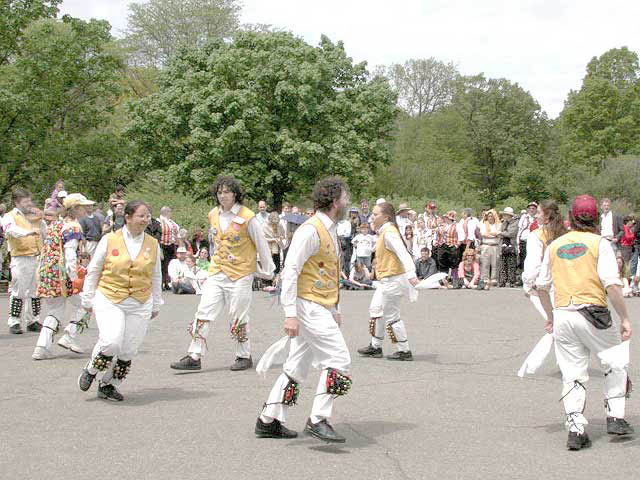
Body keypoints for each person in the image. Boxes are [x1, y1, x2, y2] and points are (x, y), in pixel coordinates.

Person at [256, 177, 352, 443]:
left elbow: (330, 271)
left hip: (320, 304)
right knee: (339, 360)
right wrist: (289, 313)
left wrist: (336, 306)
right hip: (308, 306)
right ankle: (318, 418)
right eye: (345, 198)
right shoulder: (311, 229)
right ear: (334, 201)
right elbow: (291, 271)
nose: (347, 202)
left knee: (297, 365)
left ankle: (269, 419)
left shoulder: (330, 228)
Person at [536, 194, 633, 450]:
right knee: (615, 362)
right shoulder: (599, 243)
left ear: (571, 218)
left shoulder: (555, 246)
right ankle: (615, 416)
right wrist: (625, 317)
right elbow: (612, 285)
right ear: (596, 219)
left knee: (572, 373)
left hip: (564, 314)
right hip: (594, 313)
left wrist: (550, 316)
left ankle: (576, 429)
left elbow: (541, 286)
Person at [170, 176, 274, 372]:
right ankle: (194, 355)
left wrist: (268, 271)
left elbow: (261, 244)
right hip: (218, 270)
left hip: (241, 273)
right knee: (203, 311)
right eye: (219, 192)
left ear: (235, 194)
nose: (223, 196)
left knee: (238, 315)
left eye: (227, 192)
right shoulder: (213, 214)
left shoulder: (248, 216)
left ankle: (243, 355)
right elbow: (215, 242)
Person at [78, 200, 162, 402]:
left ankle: (109, 384)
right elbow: (94, 270)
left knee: (128, 349)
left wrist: (156, 302)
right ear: (128, 217)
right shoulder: (109, 239)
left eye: (148, 216)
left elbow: (156, 275)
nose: (145, 220)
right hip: (110, 297)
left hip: (140, 301)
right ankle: (91, 369)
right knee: (111, 341)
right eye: (141, 216)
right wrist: (88, 298)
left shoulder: (153, 243)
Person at [32, 194, 94, 359]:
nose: (86, 209)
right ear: (74, 209)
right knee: (88, 304)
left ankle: (42, 347)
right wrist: (74, 276)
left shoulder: (56, 224)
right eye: (82, 206)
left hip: (48, 272)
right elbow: (70, 252)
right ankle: (69, 335)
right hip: (62, 274)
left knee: (55, 310)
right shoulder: (72, 226)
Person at [358, 202, 419, 361]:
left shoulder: (389, 232)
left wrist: (411, 274)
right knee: (376, 309)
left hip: (394, 279)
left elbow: (403, 253)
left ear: (385, 216)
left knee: (392, 315)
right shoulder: (384, 232)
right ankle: (375, 346)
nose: (372, 217)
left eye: (375, 214)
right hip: (386, 280)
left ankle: (404, 350)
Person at [2, 188, 46, 334]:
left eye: (29, 200)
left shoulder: (34, 216)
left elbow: (44, 231)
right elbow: (10, 230)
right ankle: (14, 322)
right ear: (16, 202)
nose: (29, 204)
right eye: (25, 201)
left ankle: (33, 320)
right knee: (18, 291)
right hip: (20, 257)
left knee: (35, 291)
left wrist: (42, 222)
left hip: (36, 256)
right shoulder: (10, 216)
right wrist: (27, 232)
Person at [158, 206, 180, 291]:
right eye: (170, 212)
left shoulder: (171, 222)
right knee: (163, 265)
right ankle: (162, 282)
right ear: (166, 212)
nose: (171, 214)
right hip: (163, 245)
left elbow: (177, 231)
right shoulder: (159, 221)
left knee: (169, 265)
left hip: (172, 245)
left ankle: (167, 282)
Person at [479, 209, 501, 290]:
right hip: (486, 245)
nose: (490, 217)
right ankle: (485, 278)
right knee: (485, 263)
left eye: (491, 216)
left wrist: (492, 234)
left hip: (495, 245)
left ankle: (494, 279)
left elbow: (498, 233)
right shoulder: (484, 224)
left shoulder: (498, 224)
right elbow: (483, 234)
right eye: (489, 216)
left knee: (495, 263)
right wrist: (493, 234)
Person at [498, 207, 518, 287]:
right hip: (503, 244)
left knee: (511, 263)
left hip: (512, 245)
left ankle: (512, 281)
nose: (504, 216)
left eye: (505, 215)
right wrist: (502, 233)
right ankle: (502, 281)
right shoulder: (504, 223)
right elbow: (502, 232)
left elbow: (511, 233)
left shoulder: (515, 223)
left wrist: (501, 233)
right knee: (503, 263)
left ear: (509, 215)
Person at [263, 211, 286, 278]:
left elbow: (283, 235)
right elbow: (262, 238)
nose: (275, 225)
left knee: (277, 262)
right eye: (273, 223)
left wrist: (280, 238)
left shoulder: (279, 225)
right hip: (268, 247)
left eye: (276, 223)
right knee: (270, 262)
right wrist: (273, 240)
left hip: (277, 247)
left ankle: (276, 276)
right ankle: (269, 278)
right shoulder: (264, 226)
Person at [517, 202, 538, 272]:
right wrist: (517, 241)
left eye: (533, 208)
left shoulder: (538, 218)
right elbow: (520, 229)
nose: (531, 210)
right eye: (530, 208)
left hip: (534, 242)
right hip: (524, 241)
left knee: (533, 260)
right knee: (523, 259)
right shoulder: (524, 217)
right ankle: (522, 277)